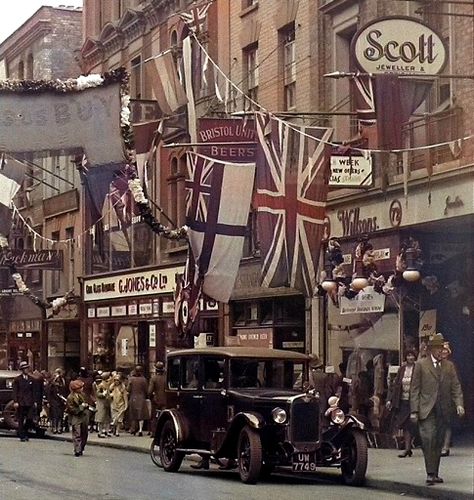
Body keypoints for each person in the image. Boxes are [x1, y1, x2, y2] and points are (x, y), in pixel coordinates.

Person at [410, 333, 464, 486]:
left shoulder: (449, 366)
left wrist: (459, 404)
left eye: (442, 348)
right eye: (438, 348)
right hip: (426, 409)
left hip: (443, 410)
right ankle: (430, 473)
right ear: (431, 349)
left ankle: (435, 473)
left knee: (438, 442)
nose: (441, 351)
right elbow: (415, 389)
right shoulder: (421, 364)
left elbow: (456, 387)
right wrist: (414, 411)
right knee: (428, 440)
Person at [386, 349, 417, 458]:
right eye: (408, 356)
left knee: (416, 424)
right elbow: (396, 385)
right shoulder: (402, 369)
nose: (410, 358)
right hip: (403, 401)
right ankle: (407, 449)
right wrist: (390, 399)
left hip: (415, 401)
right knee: (405, 425)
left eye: (412, 355)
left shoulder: (418, 368)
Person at [12, 361, 37, 442]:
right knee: (21, 419)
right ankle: (22, 435)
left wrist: (35, 401)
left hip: (29, 402)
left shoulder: (31, 379)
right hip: (21, 402)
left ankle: (25, 432)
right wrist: (15, 401)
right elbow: (15, 391)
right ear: (22, 370)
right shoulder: (17, 379)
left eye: (27, 368)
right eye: (25, 368)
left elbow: (34, 391)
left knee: (29, 419)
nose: (27, 370)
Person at [66, 379, 89, 457]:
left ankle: (81, 448)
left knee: (84, 433)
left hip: (84, 416)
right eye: (80, 387)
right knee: (77, 433)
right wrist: (81, 407)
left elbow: (87, 403)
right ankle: (77, 449)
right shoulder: (70, 397)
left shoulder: (83, 395)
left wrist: (86, 406)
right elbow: (71, 409)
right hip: (75, 417)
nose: (82, 389)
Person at [127, 365, 149, 436]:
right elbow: (147, 390)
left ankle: (133, 429)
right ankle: (140, 430)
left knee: (133, 415)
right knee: (141, 415)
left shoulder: (131, 379)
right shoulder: (144, 379)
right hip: (141, 398)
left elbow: (128, 389)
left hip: (133, 398)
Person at [46, 368, 68, 434]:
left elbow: (65, 391)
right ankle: (54, 428)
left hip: (61, 401)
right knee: (54, 415)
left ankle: (59, 427)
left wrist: (64, 400)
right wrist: (49, 401)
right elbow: (49, 393)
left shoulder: (63, 382)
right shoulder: (52, 385)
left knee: (60, 415)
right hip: (54, 401)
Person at [148, 361, 166, 436]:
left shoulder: (154, 378)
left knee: (154, 416)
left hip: (156, 400)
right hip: (165, 400)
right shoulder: (166, 378)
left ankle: (154, 432)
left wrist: (150, 396)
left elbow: (150, 391)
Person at [94, 372, 112, 437]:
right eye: (109, 377)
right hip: (101, 403)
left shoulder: (107, 384)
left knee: (107, 418)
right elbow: (97, 393)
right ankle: (100, 432)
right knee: (101, 419)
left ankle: (107, 431)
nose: (110, 378)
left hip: (106, 403)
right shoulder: (101, 385)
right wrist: (103, 394)